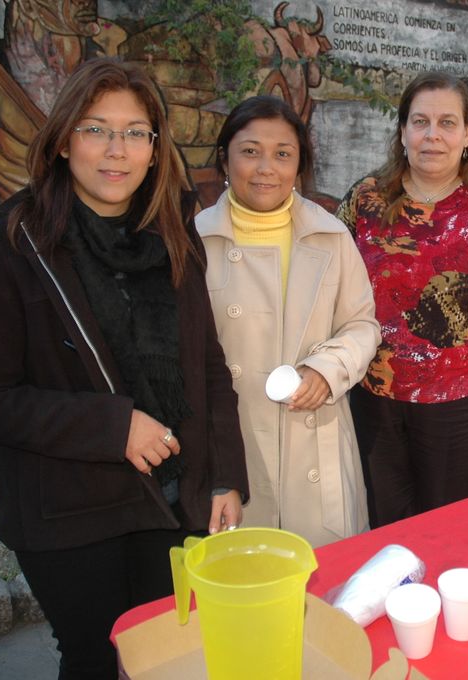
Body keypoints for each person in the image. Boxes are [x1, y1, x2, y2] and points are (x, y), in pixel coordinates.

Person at [0, 58, 248, 680]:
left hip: (170, 498)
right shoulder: (10, 246)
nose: (117, 150)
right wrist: (114, 426)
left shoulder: (173, 235)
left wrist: (225, 476)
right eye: (96, 129)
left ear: (154, 148)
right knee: (96, 660)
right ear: (63, 141)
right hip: (70, 511)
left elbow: (208, 365)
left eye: (136, 132)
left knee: (164, 655)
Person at [336, 71, 468, 528]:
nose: (432, 135)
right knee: (384, 523)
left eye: (447, 123)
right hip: (375, 396)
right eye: (421, 121)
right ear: (403, 131)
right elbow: (329, 278)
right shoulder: (366, 200)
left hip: (459, 402)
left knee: (446, 524)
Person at [196, 95, 379, 547]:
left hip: (315, 445)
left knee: (324, 577)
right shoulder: (193, 240)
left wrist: (327, 369)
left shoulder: (330, 235)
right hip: (232, 449)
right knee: (246, 577)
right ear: (225, 158)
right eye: (250, 151)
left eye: (283, 154)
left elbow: (362, 325)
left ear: (299, 165)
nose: (266, 168)